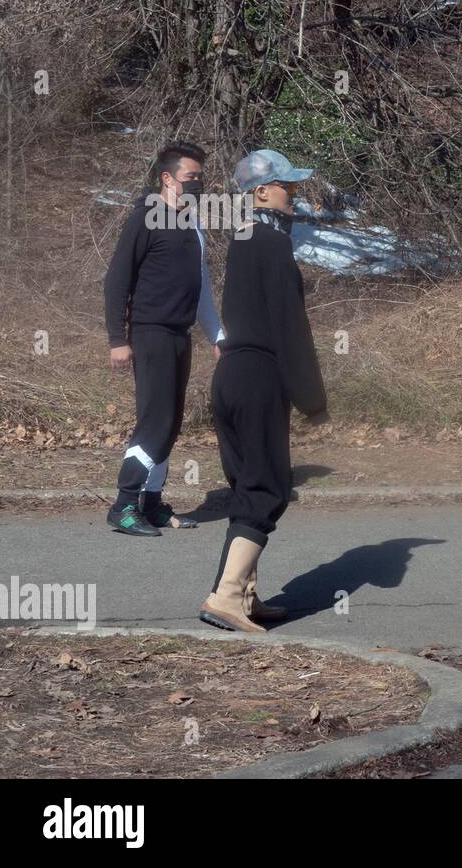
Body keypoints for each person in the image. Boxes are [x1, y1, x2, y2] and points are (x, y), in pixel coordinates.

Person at [200, 150, 327, 633]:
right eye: (286, 186)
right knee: (267, 486)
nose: (294, 194)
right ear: (260, 192)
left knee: (246, 484)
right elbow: (289, 327)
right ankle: (227, 596)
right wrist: (311, 397)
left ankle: (244, 596)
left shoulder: (243, 238)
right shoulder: (271, 244)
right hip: (258, 378)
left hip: (231, 374)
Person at [103, 140, 225, 536]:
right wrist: (116, 338)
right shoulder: (143, 218)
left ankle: (151, 504)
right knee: (154, 423)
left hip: (179, 335)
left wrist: (218, 335)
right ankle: (123, 505)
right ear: (167, 178)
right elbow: (117, 280)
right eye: (191, 178)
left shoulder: (192, 222)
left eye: (200, 179)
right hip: (149, 333)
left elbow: (201, 286)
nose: (197, 185)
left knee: (170, 425)